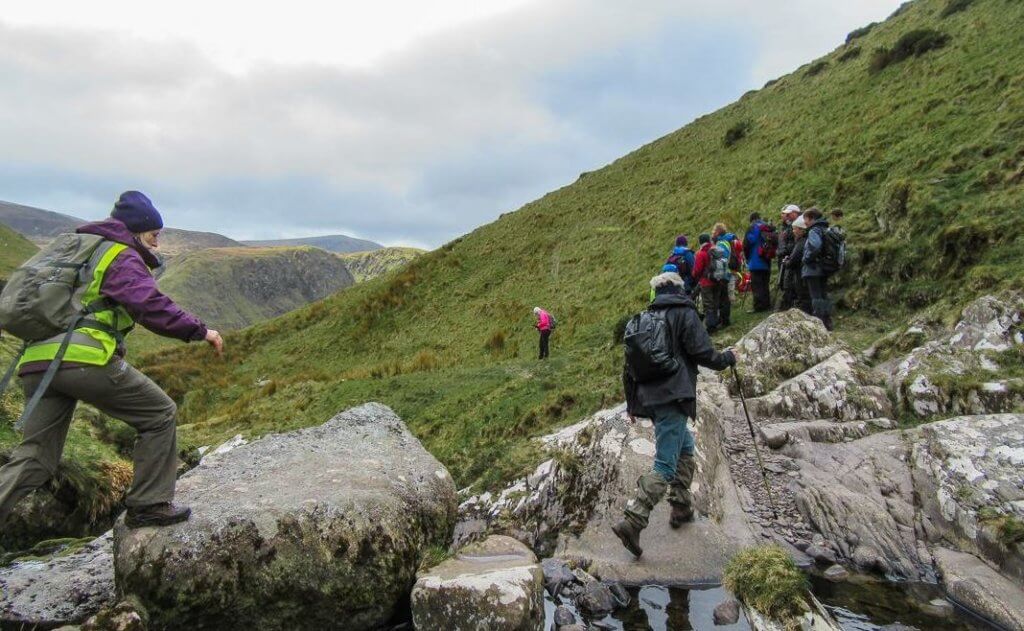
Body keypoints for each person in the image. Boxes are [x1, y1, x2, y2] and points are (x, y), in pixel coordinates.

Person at [0, 191, 223, 529]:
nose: (157, 245)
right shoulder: (120, 254)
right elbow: (148, 304)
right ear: (135, 230)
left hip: (38, 361)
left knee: (35, 458)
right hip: (83, 359)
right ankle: (149, 504)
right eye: (153, 236)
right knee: (160, 414)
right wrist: (200, 331)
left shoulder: (79, 249)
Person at [614, 272, 737, 557]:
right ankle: (633, 521)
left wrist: (633, 404)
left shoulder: (644, 320)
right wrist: (728, 358)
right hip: (674, 396)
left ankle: (681, 506)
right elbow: (703, 352)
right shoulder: (684, 313)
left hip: (652, 399)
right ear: (679, 289)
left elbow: (629, 366)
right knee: (666, 465)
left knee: (685, 449)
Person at [801, 208, 834, 330]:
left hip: (813, 268)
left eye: (805, 219)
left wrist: (806, 258)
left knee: (815, 296)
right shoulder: (825, 228)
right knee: (823, 295)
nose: (804, 222)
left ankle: (819, 322)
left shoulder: (814, 230)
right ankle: (827, 321)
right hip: (824, 267)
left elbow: (815, 247)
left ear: (811, 218)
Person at [691, 233, 726, 332]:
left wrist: (693, 274)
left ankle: (711, 326)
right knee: (715, 302)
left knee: (708, 304)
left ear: (700, 242)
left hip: (706, 282)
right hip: (717, 280)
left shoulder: (701, 253)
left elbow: (697, 270)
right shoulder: (716, 250)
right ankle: (716, 321)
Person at [743, 212, 773, 312]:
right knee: (765, 283)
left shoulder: (751, 228)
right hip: (767, 259)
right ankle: (767, 304)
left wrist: (748, 259)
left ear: (751, 219)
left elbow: (746, 245)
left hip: (755, 260)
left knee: (757, 285)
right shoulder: (767, 227)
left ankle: (759, 306)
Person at [785, 216, 812, 314]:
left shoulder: (801, 242)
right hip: (804, 272)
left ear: (801, 230)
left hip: (801, 274)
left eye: (795, 229)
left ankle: (805, 316)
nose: (793, 231)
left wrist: (786, 262)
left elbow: (794, 260)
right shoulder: (806, 240)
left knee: (803, 296)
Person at [776, 205, 801, 311]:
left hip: (793, 257)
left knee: (791, 283)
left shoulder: (799, 225)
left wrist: (785, 251)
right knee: (786, 283)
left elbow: (794, 243)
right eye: (785, 214)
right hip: (786, 257)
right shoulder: (786, 226)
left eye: (788, 214)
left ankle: (791, 306)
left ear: (795, 213)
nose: (786, 216)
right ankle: (789, 305)